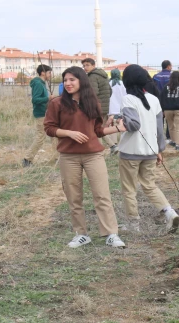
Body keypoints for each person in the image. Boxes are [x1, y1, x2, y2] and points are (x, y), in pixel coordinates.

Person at [44, 66, 125, 248]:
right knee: (74, 197)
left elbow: (97, 130)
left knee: (102, 194)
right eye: (65, 80)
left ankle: (111, 233)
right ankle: (81, 234)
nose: (68, 83)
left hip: (93, 155)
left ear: (81, 81)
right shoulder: (57, 104)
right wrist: (68, 133)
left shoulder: (92, 102)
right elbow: (49, 128)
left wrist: (118, 128)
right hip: (68, 156)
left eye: (72, 79)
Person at [117, 64, 179, 233]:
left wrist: (118, 123)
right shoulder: (154, 99)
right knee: (150, 185)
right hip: (151, 151)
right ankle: (169, 212)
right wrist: (159, 150)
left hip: (130, 152)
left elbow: (132, 125)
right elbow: (160, 129)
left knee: (129, 189)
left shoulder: (128, 99)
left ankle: (133, 224)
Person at [82, 58, 116, 152]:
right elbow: (110, 91)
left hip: (96, 107)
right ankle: (112, 146)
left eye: (87, 65)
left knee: (96, 130)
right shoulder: (103, 75)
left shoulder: (92, 76)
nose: (85, 67)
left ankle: (99, 151)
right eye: (84, 66)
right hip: (104, 107)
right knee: (99, 128)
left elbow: (93, 92)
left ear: (93, 65)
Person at [23, 64, 53, 167]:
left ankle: (57, 157)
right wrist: (48, 99)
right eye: (49, 72)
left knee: (54, 134)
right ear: (43, 73)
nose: (50, 75)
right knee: (41, 137)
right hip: (41, 114)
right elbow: (35, 100)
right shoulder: (38, 84)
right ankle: (27, 159)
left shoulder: (42, 83)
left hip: (46, 113)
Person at [160, 71, 179, 151]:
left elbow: (161, 99)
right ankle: (178, 144)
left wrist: (163, 109)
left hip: (167, 110)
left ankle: (173, 141)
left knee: (170, 126)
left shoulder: (165, 87)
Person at [107, 68, 127, 155]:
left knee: (113, 126)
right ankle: (123, 143)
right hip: (121, 107)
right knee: (122, 124)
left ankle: (114, 143)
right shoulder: (123, 84)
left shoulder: (109, 84)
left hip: (111, 108)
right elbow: (125, 95)